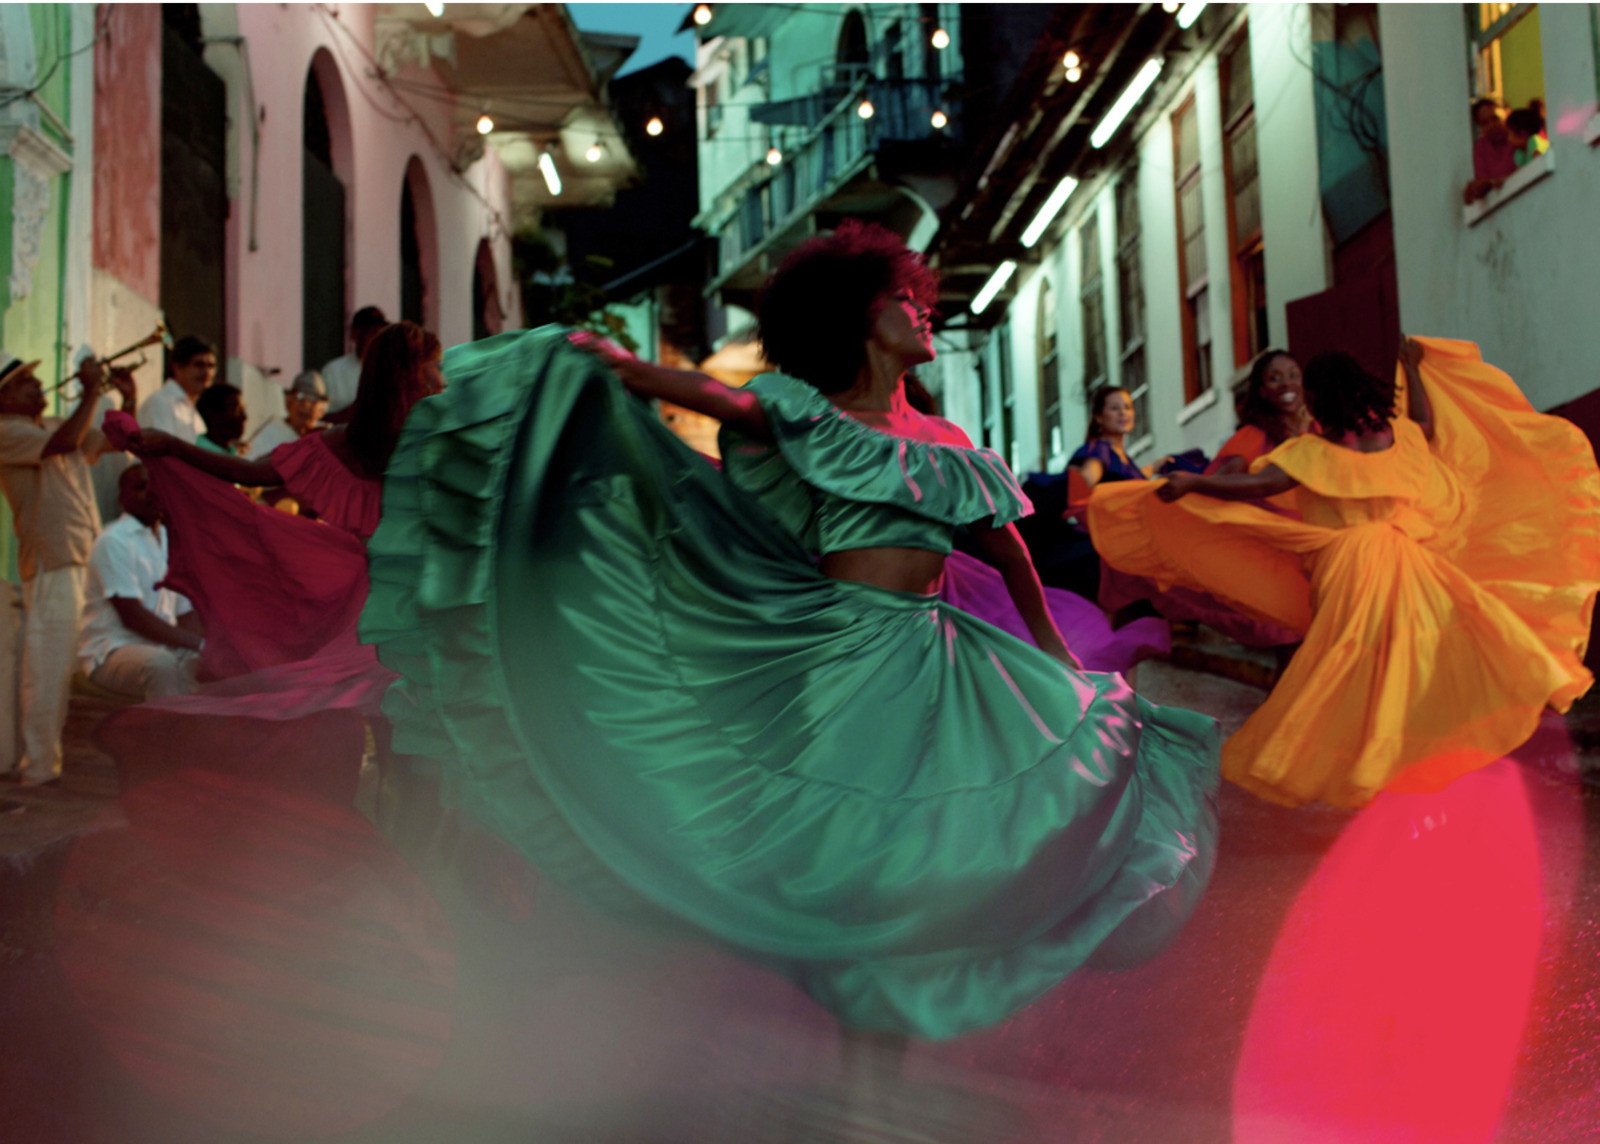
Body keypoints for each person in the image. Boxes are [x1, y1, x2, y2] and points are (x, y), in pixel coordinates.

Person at [361, 222, 1221, 1043]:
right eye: (902, 300)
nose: (922, 312)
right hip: (837, 653)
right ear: (858, 318)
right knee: (833, 834)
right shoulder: (812, 421)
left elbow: (1012, 552)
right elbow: (712, 397)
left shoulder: (950, 442)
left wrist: (1052, 648)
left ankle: (897, 1004)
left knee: (1006, 803)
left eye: (920, 301)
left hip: (940, 652)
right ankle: (821, 1009)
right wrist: (623, 366)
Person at [1088, 338, 1600, 808]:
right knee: (1418, 665)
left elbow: (1253, 488)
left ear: (1317, 399)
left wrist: (1191, 486)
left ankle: (1378, 777)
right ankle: (1408, 776)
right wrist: (1414, 372)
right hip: (1406, 560)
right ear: (1363, 390)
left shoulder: (1310, 452)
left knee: (1358, 671)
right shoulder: (1399, 438)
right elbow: (1424, 421)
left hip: (1348, 569)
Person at [0, 352, 135, 785]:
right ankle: (38, 770)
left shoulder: (58, 422)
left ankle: (36, 763)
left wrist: (125, 401)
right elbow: (62, 444)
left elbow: (112, 442)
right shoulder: (6, 432)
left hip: (83, 557)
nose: (38, 386)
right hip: (52, 561)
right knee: (47, 671)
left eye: (36, 380)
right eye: (25, 383)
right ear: (3, 399)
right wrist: (92, 391)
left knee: (61, 668)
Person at [78, 464, 203, 701]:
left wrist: (205, 649)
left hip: (163, 648)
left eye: (157, 486)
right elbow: (132, 616)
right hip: (112, 652)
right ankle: (168, 737)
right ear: (122, 497)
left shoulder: (171, 540)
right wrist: (200, 644)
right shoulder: (114, 539)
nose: (151, 492)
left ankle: (197, 734)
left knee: (210, 666)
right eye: (139, 487)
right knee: (161, 666)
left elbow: (186, 614)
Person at [1069, 386, 1170, 491]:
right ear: (1099, 417)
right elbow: (1083, 486)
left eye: (1127, 407)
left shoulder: (1123, 457)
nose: (1122, 413)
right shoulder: (1099, 450)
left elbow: (1126, 482)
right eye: (1114, 408)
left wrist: (1153, 468)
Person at [137, 335, 216, 444]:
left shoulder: (192, 409)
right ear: (177, 367)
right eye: (199, 365)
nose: (207, 372)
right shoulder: (161, 402)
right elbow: (161, 452)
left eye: (211, 366)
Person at [320, 306, 388, 422]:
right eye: (371, 332)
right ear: (355, 333)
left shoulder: (392, 370)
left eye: (381, 333)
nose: (376, 338)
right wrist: (358, 408)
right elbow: (321, 419)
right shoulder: (333, 371)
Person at [248, 370, 328, 460]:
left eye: (313, 399)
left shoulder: (327, 435)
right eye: (300, 396)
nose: (306, 404)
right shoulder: (271, 431)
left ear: (322, 409)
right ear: (288, 402)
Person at [194, 382, 247, 455]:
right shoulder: (200, 455)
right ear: (214, 415)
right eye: (237, 410)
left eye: (242, 410)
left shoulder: (232, 453)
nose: (244, 417)